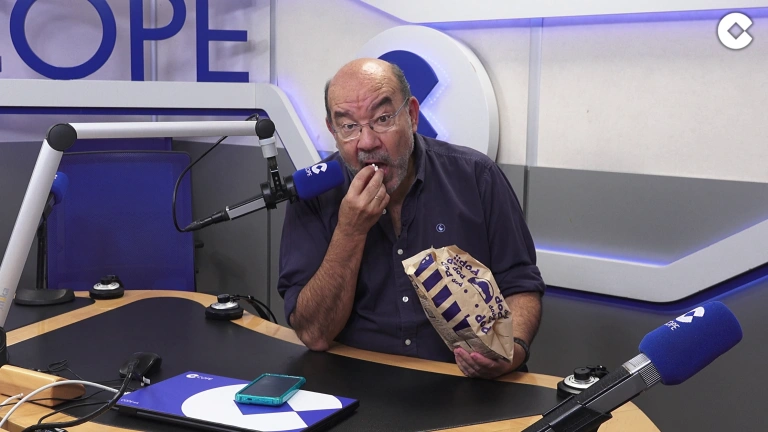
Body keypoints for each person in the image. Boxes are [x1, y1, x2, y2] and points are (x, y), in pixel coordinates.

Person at [278, 58, 545, 379]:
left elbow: (520, 285)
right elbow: (314, 334)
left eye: (382, 119)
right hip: (360, 380)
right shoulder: (314, 195)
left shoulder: (477, 176)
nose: (367, 142)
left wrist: (512, 352)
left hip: (466, 381)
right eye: (348, 126)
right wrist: (349, 231)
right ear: (332, 131)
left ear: (412, 115)